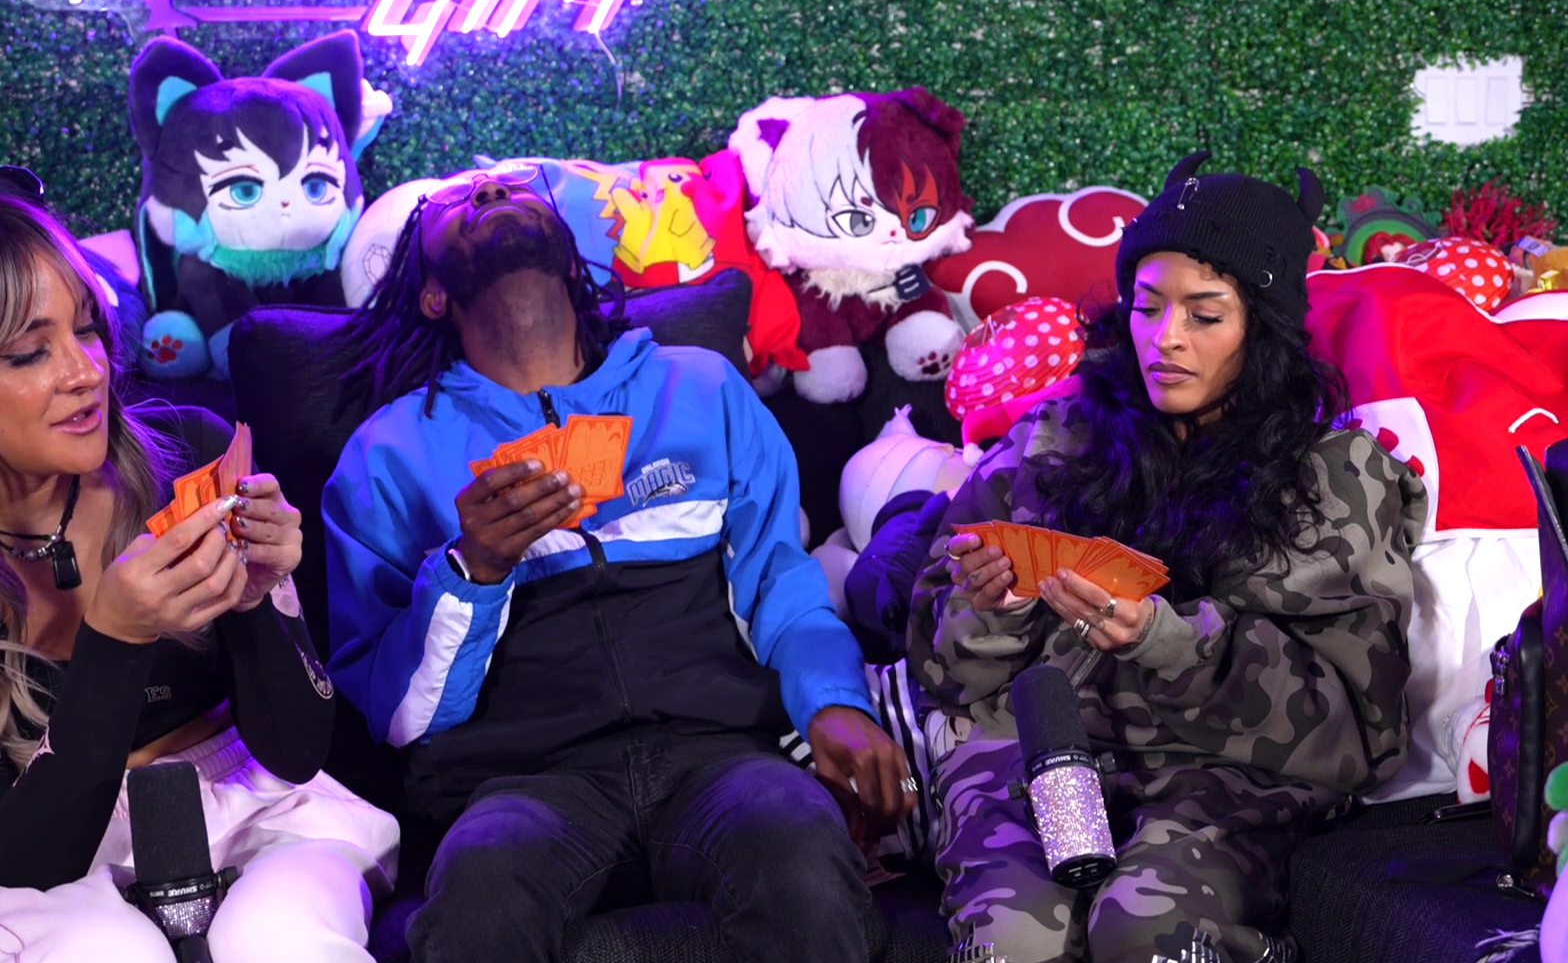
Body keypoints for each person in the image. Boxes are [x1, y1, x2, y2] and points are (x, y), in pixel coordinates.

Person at [0, 169, 398, 963]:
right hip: (32, 850)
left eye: (87, 330)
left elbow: (296, 752)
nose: (87, 373)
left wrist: (260, 597)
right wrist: (116, 641)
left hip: (249, 808)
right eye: (30, 353)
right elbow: (24, 862)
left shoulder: (185, 456)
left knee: (282, 941)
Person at [323, 165, 918, 963]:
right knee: (479, 891)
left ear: (573, 262)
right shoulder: (387, 454)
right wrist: (474, 568)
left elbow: (784, 588)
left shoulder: (700, 387)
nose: (491, 192)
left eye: (515, 189)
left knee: (801, 850)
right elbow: (392, 713)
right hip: (523, 784)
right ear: (432, 294)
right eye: (458, 200)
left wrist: (835, 703)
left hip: (720, 755)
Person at [910, 152, 1423, 963]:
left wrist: (1167, 641)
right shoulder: (1050, 444)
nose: (1166, 339)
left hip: (1221, 776)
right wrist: (996, 613)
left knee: (1144, 933)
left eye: (1205, 315)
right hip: (1036, 755)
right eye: (1146, 308)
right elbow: (940, 673)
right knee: (1014, 942)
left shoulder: (1332, 477)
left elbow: (1362, 735)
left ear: (1264, 327)